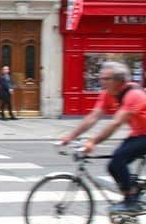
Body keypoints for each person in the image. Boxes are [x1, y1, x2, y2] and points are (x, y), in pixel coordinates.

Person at [61, 61, 146, 214]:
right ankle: (132, 192)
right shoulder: (108, 94)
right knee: (113, 165)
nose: (102, 81)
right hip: (138, 133)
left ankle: (131, 201)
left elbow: (115, 123)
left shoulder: (134, 95)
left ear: (119, 80)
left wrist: (93, 141)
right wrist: (70, 136)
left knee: (119, 159)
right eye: (101, 78)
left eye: (106, 79)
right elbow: (93, 117)